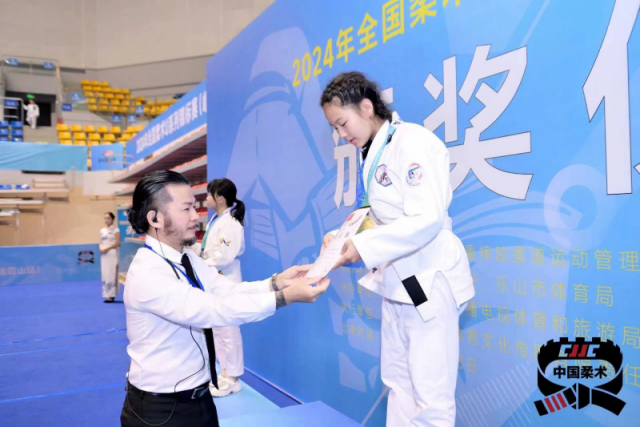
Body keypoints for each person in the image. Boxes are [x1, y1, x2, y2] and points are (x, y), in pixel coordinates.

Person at [320, 72, 475, 427]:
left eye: (343, 123)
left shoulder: (413, 143)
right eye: (335, 128)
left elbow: (426, 218)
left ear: (366, 107)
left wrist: (361, 245)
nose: (341, 135)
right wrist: (340, 238)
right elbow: (378, 218)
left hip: (427, 282)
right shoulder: (375, 153)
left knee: (430, 396)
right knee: (398, 383)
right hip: (396, 283)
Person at [121, 170, 329, 427]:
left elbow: (226, 289)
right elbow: (212, 310)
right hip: (161, 410)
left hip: (199, 398)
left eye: (194, 207)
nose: (195, 216)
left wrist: (276, 283)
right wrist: (284, 298)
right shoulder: (149, 272)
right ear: (155, 218)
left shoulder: (187, 258)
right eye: (186, 209)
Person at [200, 178, 246, 397]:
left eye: (209, 194)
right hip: (214, 280)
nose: (206, 198)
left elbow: (226, 257)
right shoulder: (215, 220)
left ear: (219, 198)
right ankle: (225, 372)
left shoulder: (231, 223)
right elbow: (210, 250)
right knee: (218, 329)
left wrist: (202, 262)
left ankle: (233, 377)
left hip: (226, 281)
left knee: (228, 330)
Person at [100, 212, 120, 303]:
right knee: (105, 273)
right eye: (105, 218)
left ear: (112, 219)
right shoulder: (102, 231)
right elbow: (100, 242)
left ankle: (111, 295)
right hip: (104, 255)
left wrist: (107, 248)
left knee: (111, 273)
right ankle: (106, 293)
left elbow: (118, 243)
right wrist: (101, 248)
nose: (106, 220)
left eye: (108, 218)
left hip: (111, 253)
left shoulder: (116, 230)